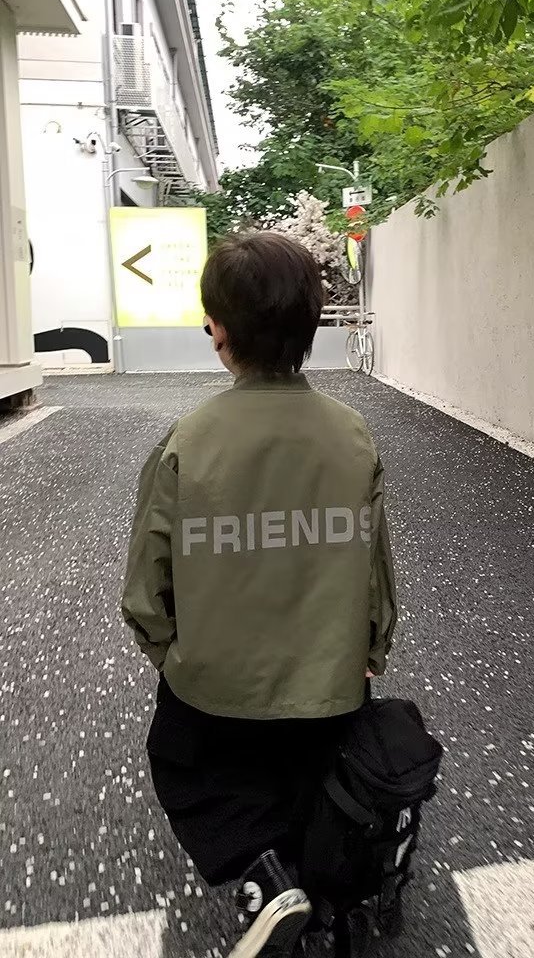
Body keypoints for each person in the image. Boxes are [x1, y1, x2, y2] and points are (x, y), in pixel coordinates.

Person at [121, 231, 398, 958]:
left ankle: (263, 880)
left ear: (219, 332)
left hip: (214, 690)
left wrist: (172, 655)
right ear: (311, 327)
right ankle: (324, 883)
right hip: (329, 684)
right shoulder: (351, 435)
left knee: (189, 767)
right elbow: (374, 565)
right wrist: (371, 647)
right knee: (311, 765)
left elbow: (147, 586)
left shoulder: (188, 441)